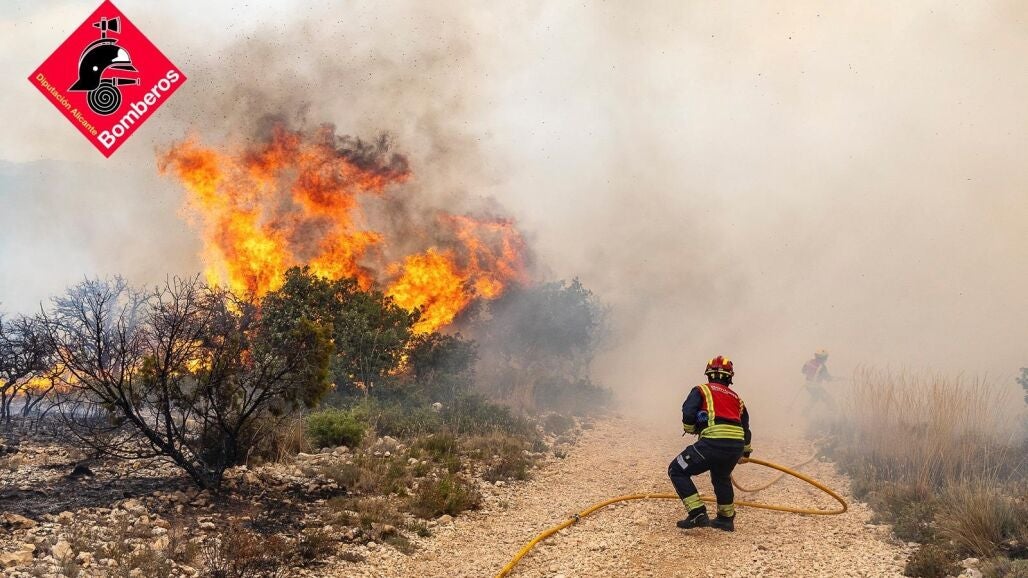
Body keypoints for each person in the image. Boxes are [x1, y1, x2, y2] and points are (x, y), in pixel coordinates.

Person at [667, 355, 752, 532]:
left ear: (708, 375)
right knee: (721, 476)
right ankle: (725, 519)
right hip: (735, 446)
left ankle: (697, 513)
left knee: (677, 469)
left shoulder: (701, 390)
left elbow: (688, 411)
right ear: (730, 378)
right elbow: (745, 426)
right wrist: (745, 453)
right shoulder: (737, 398)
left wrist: (690, 428)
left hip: (713, 443)